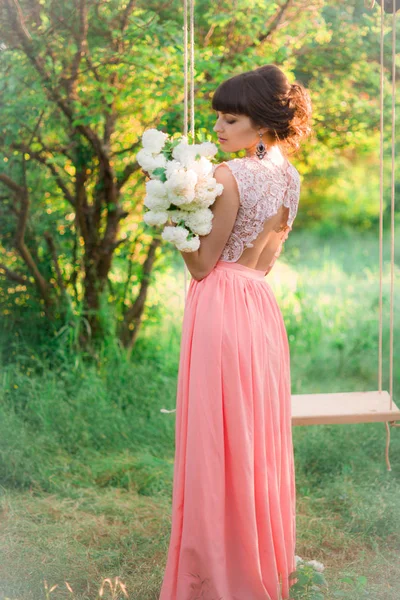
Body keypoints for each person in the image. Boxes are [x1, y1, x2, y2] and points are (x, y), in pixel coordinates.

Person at [158, 64, 313, 600]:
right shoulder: (290, 177)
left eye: (231, 117)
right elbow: (266, 260)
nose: (220, 128)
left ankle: (216, 576)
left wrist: (172, 220)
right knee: (250, 435)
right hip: (257, 303)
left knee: (215, 436)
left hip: (221, 301)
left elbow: (202, 265)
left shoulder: (229, 175)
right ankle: (259, 561)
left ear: (264, 121)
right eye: (218, 117)